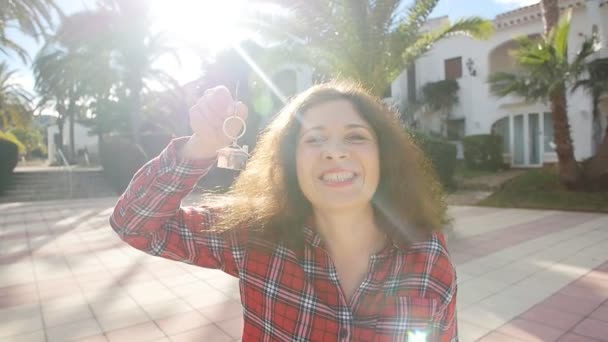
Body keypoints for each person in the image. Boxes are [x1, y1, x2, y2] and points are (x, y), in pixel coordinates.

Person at [110, 81, 457, 341]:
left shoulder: (426, 255)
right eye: (314, 138)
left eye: (355, 137)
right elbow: (135, 224)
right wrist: (200, 146)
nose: (334, 152)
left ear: (385, 157)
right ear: (290, 163)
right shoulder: (254, 233)